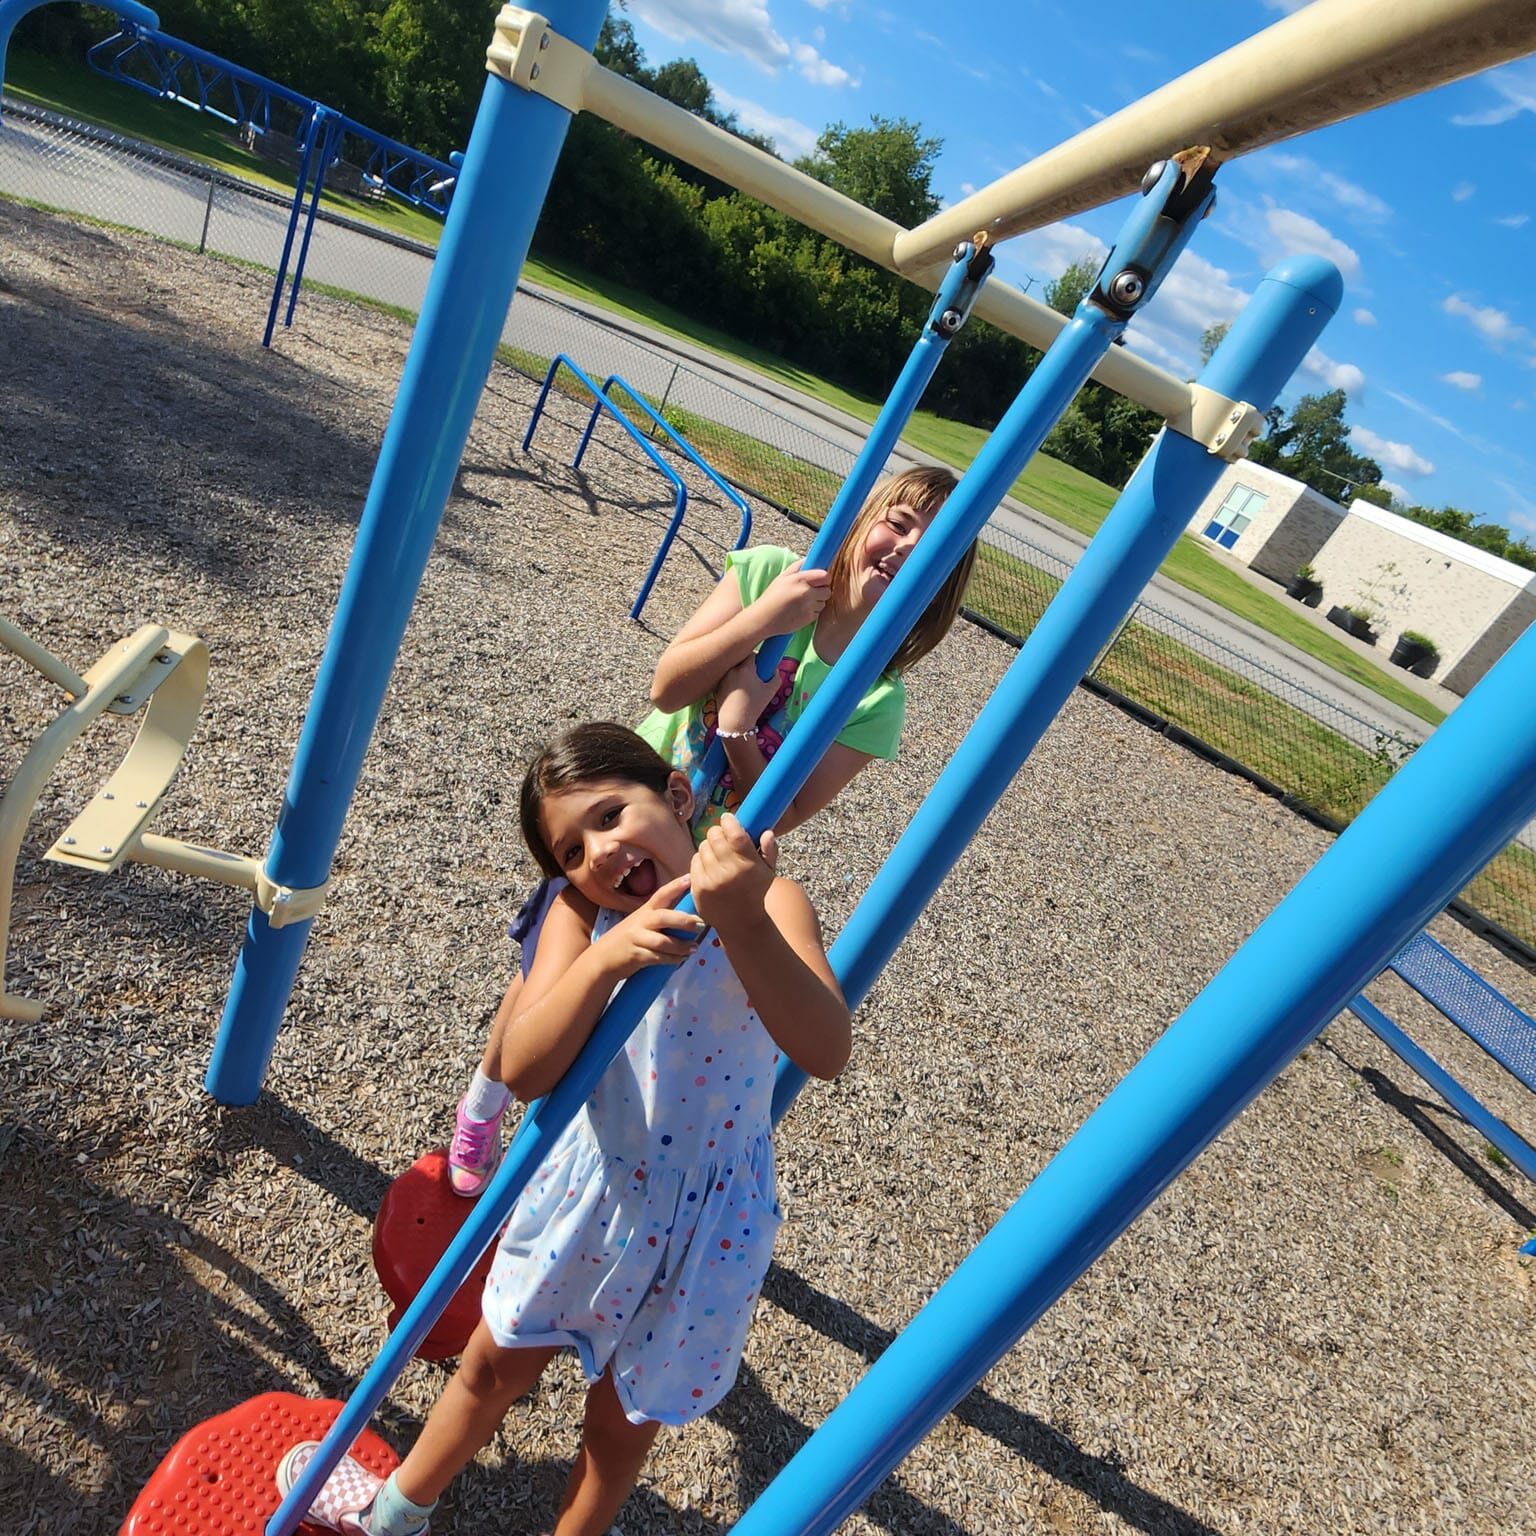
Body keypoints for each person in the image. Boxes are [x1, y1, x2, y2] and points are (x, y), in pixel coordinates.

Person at [277, 723, 851, 1536]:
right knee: (488, 1364)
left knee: (618, 1435)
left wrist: (745, 923)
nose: (601, 854)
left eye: (612, 815)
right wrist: (603, 964)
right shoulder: (580, 921)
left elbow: (824, 1049)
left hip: (709, 1221)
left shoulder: (770, 896)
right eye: (573, 851)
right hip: (594, 1191)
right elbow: (522, 1065)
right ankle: (392, 1517)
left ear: (679, 797)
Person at [448, 464, 973, 1197]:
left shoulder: (877, 697)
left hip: (700, 863)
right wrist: (766, 620)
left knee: (654, 1001)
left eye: (936, 541)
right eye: (901, 521)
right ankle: (483, 1104)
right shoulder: (770, 574)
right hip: (621, 818)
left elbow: (785, 811)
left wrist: (736, 731)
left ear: (944, 581)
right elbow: (668, 683)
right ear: (867, 517)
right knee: (545, 969)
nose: (907, 547)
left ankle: (594, 1150)